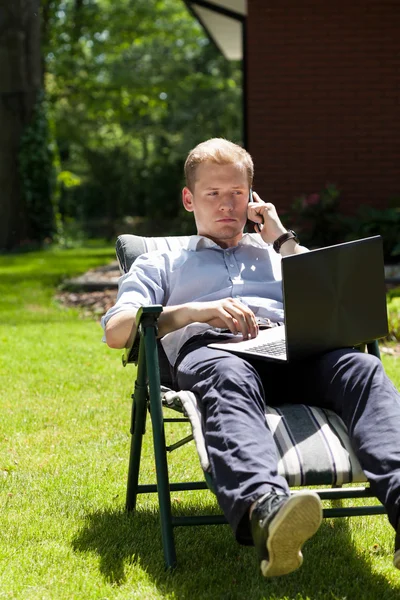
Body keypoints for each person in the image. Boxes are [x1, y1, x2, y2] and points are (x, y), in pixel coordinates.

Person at [102, 138, 400, 577]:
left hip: (292, 349)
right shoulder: (162, 262)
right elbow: (117, 330)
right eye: (213, 194)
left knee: (361, 366)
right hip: (215, 353)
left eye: (237, 194)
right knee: (227, 375)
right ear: (189, 198)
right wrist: (196, 312)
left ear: (253, 198)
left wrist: (281, 238)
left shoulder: (277, 255)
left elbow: (337, 298)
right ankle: (266, 510)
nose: (227, 205)